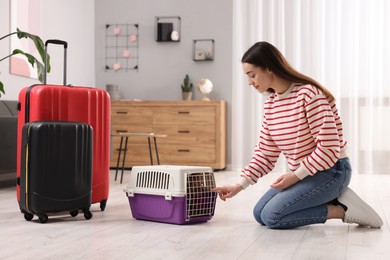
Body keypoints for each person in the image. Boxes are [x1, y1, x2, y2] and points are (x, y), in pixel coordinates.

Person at [213, 41, 383, 229]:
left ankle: (342, 208)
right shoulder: (271, 105)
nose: (249, 82)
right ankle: (323, 197)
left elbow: (329, 149)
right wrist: (239, 185)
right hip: (306, 173)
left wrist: (295, 176)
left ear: (269, 68)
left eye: (252, 75)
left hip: (333, 171)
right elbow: (265, 154)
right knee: (259, 214)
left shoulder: (309, 95)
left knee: (272, 217)